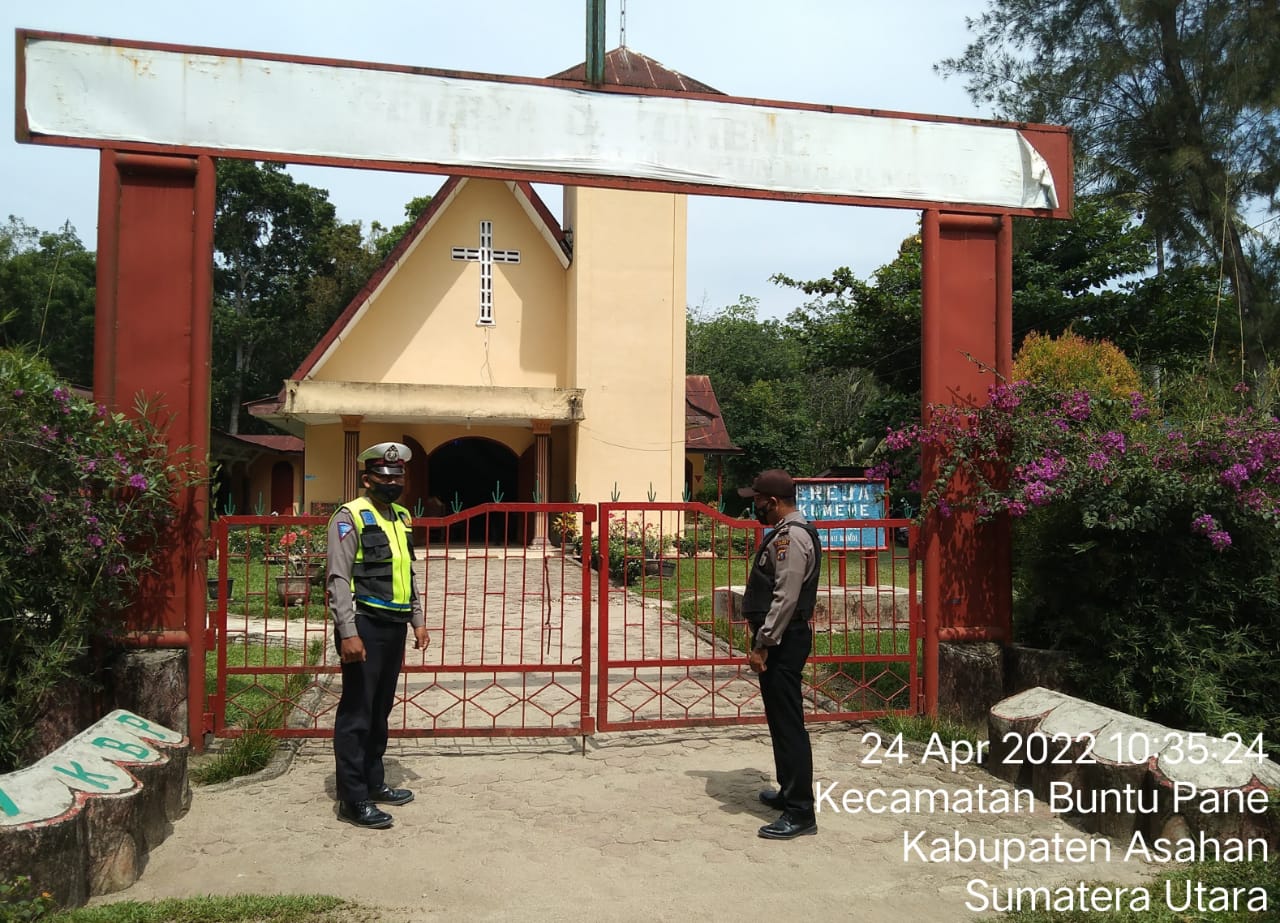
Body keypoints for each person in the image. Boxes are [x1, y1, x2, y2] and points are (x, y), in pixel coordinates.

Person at [327, 441, 430, 829]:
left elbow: (406, 572)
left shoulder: (402, 516)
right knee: (357, 712)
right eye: (384, 478)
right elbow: (338, 579)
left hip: (394, 625)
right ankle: (352, 799)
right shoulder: (349, 516)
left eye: (397, 477)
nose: (392, 483)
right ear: (367, 479)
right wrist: (347, 632)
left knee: (380, 709)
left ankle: (373, 782)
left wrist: (418, 619)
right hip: (363, 625)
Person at [737, 468, 822, 840]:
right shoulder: (787, 532)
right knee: (780, 720)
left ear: (772, 502)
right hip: (782, 639)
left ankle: (801, 812)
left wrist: (763, 643)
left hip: (783, 641)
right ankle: (789, 792)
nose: (754, 507)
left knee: (788, 725)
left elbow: (785, 597)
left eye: (757, 500)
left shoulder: (792, 538)